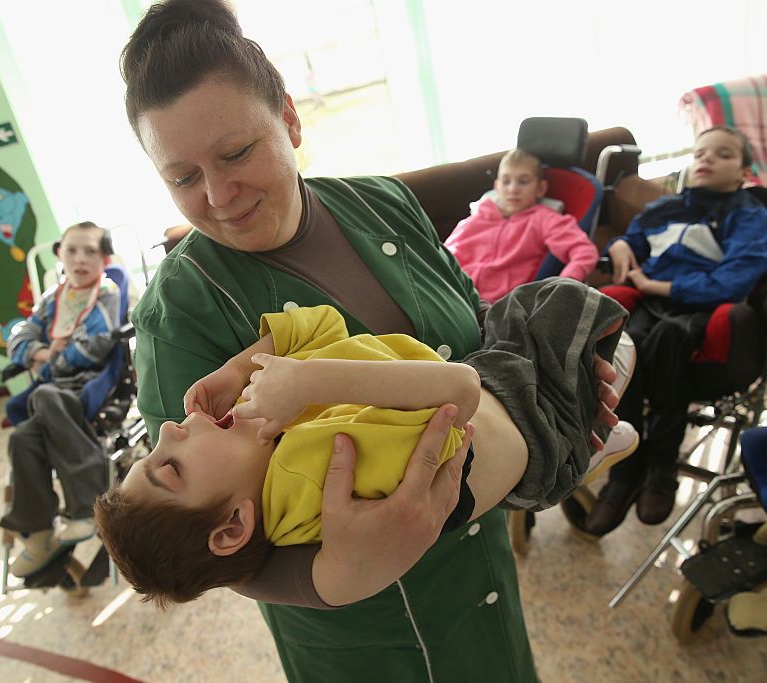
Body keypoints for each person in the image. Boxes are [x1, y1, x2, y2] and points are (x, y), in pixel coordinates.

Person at [120, 2, 619, 679]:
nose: (219, 195)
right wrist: (343, 572)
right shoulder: (180, 311)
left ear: (290, 120)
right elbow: (195, 536)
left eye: (236, 153)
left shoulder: (382, 203)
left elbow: (470, 327)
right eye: (182, 177)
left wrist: (560, 372)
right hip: (370, 638)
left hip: (481, 578)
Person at [97, 285, 638, 606]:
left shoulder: (269, 450)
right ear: (234, 526)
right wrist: (314, 383)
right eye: (169, 468)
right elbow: (456, 392)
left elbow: (319, 328)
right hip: (536, 423)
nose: (167, 430)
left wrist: (239, 368)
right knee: (559, 302)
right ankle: (588, 444)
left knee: (515, 308)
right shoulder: (319, 475)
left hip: (496, 377)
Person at [584, 125, 767, 536]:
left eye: (721, 154)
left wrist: (661, 286)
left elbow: (735, 281)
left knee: (669, 336)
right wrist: (618, 246)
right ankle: (627, 466)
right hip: (651, 303)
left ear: (744, 171)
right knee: (626, 342)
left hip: (705, 308)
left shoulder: (751, 217)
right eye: (701, 152)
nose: (705, 159)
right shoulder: (663, 209)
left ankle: (661, 462)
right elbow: (634, 242)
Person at [0, 221, 121, 577]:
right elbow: (19, 336)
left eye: (90, 252)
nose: (80, 259)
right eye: (72, 251)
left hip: (93, 387)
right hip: (51, 393)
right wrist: (39, 351)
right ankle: (39, 535)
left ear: (105, 258)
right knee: (22, 439)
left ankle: (86, 507)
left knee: (46, 395)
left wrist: (50, 359)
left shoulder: (107, 292)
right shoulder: (53, 297)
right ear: (59, 255)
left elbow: (96, 345)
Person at [445, 148, 599, 303]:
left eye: (523, 181)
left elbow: (584, 252)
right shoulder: (475, 219)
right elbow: (443, 256)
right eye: (506, 182)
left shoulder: (544, 219)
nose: (513, 189)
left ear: (540, 189)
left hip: (500, 307)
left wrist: (564, 286)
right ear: (497, 187)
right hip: (453, 297)